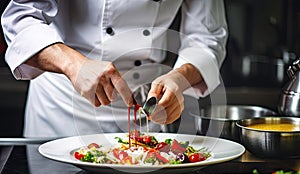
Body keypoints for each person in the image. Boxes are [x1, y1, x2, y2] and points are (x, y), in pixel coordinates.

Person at [1, 0, 228, 138]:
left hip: (146, 109)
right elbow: (19, 18)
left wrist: (179, 79)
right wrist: (73, 64)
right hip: (64, 108)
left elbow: (207, 36)